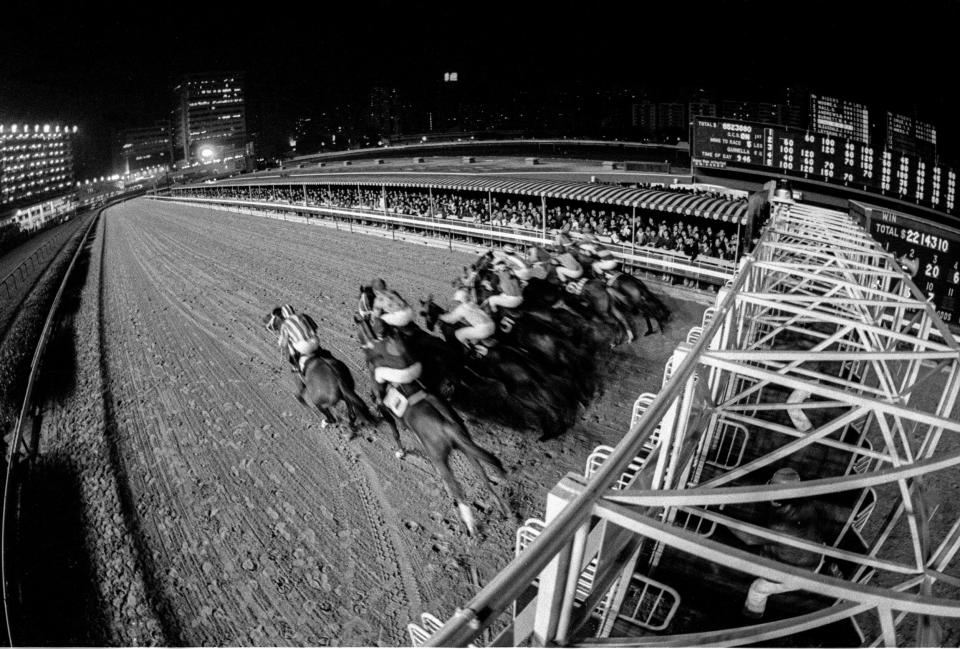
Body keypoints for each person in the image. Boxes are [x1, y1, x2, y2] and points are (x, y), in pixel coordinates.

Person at [277, 304, 320, 373]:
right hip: (315, 341)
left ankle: (296, 366)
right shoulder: (303, 316)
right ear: (292, 310)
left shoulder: (284, 324)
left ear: (283, 314)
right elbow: (315, 327)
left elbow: (284, 343)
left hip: (303, 346)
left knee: (290, 345)